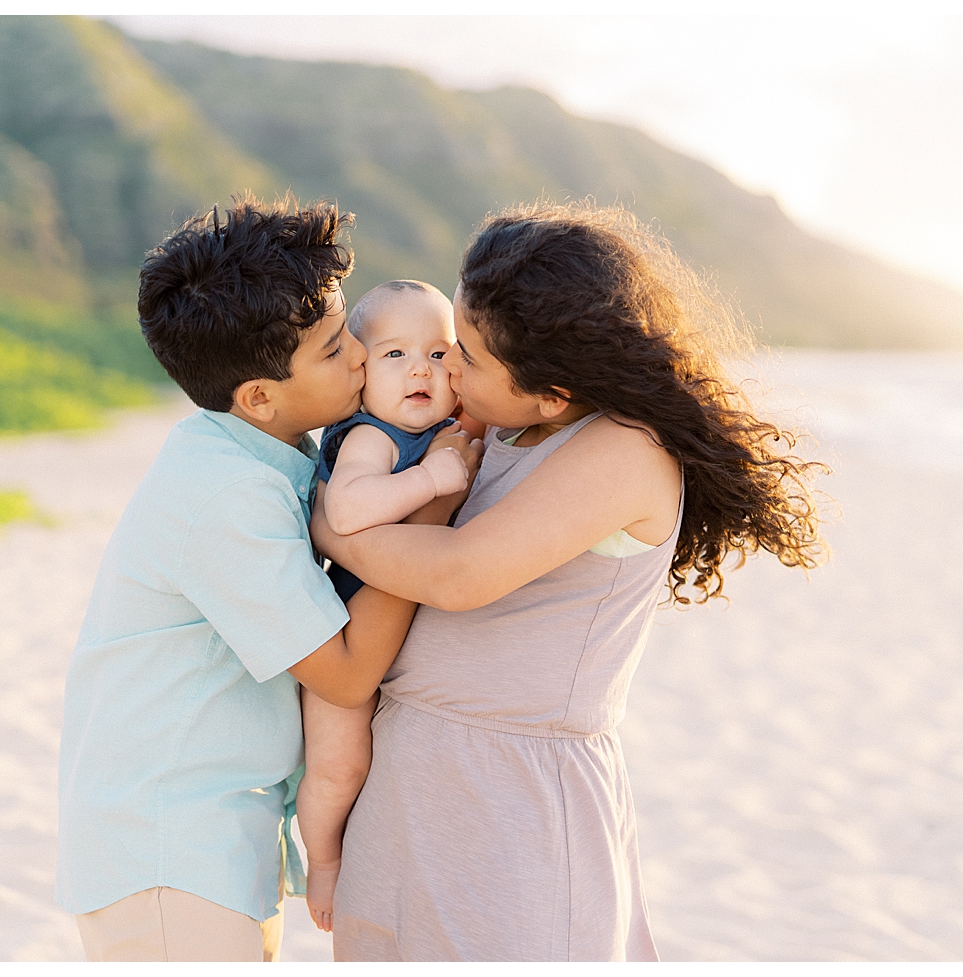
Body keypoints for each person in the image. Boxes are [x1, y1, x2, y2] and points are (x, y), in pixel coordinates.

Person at [311, 201, 828, 962]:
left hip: (512, 803)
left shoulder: (625, 449)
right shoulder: (498, 420)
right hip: (405, 785)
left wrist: (329, 526)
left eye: (470, 360)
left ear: (554, 391)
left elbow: (460, 573)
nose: (448, 369)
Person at [54, 196, 479, 962]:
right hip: (166, 854)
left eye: (349, 330)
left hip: (210, 843)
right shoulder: (226, 496)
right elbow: (345, 674)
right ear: (259, 397)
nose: (358, 355)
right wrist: (433, 511)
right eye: (330, 351)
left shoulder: (252, 457)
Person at [297, 279, 479, 932]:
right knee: (340, 764)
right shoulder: (370, 438)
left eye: (439, 353)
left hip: (396, 643)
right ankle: (320, 860)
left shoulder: (448, 429)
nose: (420, 370)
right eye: (396, 355)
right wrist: (431, 479)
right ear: (361, 370)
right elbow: (345, 509)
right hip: (340, 631)